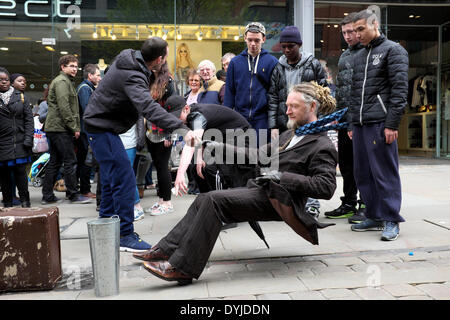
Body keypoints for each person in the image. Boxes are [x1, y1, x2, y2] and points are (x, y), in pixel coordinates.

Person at [134, 82, 338, 284]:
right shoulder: (290, 134)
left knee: (214, 201)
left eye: (294, 106)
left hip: (282, 201)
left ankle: (182, 268)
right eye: (287, 105)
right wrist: (218, 146)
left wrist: (281, 177)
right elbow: (258, 155)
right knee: (205, 198)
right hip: (263, 191)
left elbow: (326, 187)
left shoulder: (322, 145)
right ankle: (164, 250)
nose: (287, 111)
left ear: (312, 107)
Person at [83, 37, 193, 253]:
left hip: (101, 127)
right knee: (124, 179)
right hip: (101, 128)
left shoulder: (131, 62)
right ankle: (125, 234)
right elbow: (148, 108)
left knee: (109, 179)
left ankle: (105, 228)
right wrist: (182, 129)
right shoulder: (133, 74)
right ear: (160, 58)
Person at [348, 9, 408, 241]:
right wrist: (352, 124)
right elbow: (355, 94)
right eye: (355, 30)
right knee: (362, 172)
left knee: (384, 172)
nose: (357, 34)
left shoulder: (393, 50)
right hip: (361, 124)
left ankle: (391, 218)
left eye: (361, 29)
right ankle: (374, 214)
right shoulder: (358, 55)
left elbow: (400, 91)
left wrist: (391, 124)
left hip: (381, 123)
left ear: (375, 25)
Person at [268, 25, 328, 219]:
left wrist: (321, 121)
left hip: (309, 121)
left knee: (311, 162)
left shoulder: (313, 65)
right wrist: (273, 127)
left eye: (291, 46)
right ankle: (291, 203)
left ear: (299, 45)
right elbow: (273, 98)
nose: (287, 50)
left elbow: (324, 93)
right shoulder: (278, 67)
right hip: (286, 122)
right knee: (288, 163)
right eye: (284, 46)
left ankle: (312, 203)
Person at [162, 95, 253, 195]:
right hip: (221, 140)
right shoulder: (187, 118)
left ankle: (220, 199)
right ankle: (207, 199)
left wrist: (180, 174)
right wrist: (199, 156)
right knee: (195, 167)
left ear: (186, 109)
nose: (177, 120)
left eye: (178, 116)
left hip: (241, 138)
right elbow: (199, 139)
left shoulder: (198, 116)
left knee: (215, 170)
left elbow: (191, 144)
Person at [324, 13, 366, 223]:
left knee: (363, 164)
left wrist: (352, 120)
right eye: (344, 33)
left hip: (360, 120)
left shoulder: (368, 52)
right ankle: (349, 202)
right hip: (343, 120)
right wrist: (336, 115)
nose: (348, 36)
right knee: (347, 164)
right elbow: (342, 90)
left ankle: (365, 204)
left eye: (351, 32)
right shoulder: (345, 56)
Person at [41, 55, 92, 205]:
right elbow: (64, 107)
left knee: (55, 162)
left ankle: (47, 196)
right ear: (63, 67)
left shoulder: (64, 81)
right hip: (60, 128)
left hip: (56, 127)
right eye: (71, 66)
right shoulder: (62, 81)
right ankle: (73, 195)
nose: (75, 69)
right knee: (70, 160)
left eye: (76, 66)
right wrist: (74, 127)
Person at [224, 22, 278, 146]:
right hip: (239, 120)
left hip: (263, 120)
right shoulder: (235, 63)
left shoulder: (272, 62)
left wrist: (275, 125)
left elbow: (276, 95)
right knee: (240, 157)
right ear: (244, 38)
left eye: (257, 40)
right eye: (250, 40)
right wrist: (226, 121)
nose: (253, 44)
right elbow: (229, 94)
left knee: (262, 158)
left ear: (263, 39)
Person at [144, 62, 176, 216]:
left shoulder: (168, 82)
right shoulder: (148, 80)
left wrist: (170, 133)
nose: (154, 66)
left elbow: (173, 109)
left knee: (163, 166)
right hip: (151, 130)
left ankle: (167, 202)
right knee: (158, 165)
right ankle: (161, 200)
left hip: (164, 131)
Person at [0, 67, 34, 208]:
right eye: (0, 80)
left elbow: (29, 120)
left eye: (6, 80)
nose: (4, 82)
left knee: (21, 173)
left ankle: (25, 202)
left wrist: (28, 139)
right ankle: (7, 203)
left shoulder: (21, 97)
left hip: (20, 141)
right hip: (2, 144)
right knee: (5, 176)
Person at [76, 64, 101, 200]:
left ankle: (84, 188)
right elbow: (87, 110)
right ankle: (84, 189)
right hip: (86, 130)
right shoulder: (85, 89)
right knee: (86, 160)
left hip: (86, 129)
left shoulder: (88, 88)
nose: (99, 78)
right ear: (90, 75)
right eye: (97, 75)